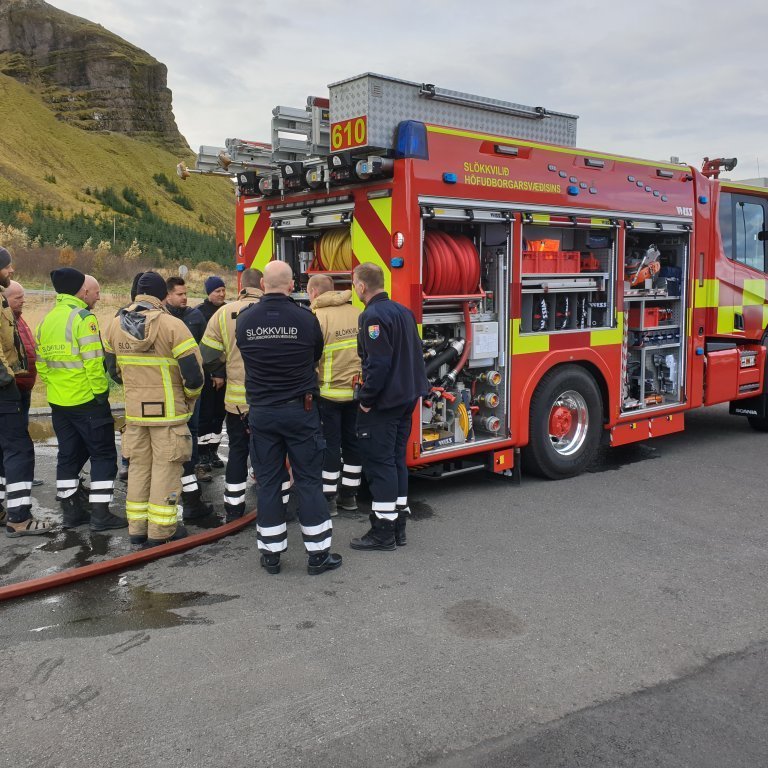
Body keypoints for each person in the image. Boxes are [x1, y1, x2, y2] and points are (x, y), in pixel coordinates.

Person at [236, 260, 341, 576]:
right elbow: (314, 356)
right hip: (300, 411)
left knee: (268, 482)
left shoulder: (245, 320)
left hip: (263, 413)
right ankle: (318, 555)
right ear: (292, 284)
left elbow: (246, 355)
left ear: (264, 284)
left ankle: (270, 556)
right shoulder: (306, 319)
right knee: (309, 481)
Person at [103, 271, 204, 546]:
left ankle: (137, 528)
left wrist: (136, 388)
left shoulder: (113, 326)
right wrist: (190, 399)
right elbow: (194, 376)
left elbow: (113, 371)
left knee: (138, 469)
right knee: (166, 470)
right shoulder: (173, 326)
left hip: (135, 414)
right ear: (162, 296)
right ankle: (162, 531)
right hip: (169, 415)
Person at [35, 269, 126, 532]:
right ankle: (100, 514)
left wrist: (56, 389)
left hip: (59, 402)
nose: (96, 298)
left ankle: (71, 512)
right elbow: (94, 364)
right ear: (80, 290)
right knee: (104, 455)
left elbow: (42, 366)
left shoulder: (47, 320)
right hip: (86, 401)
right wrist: (100, 396)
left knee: (67, 454)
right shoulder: (84, 319)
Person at [350, 262, 429, 551]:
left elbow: (378, 364)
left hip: (384, 403)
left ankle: (382, 533)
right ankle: (398, 527)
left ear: (361, 286)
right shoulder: (403, 312)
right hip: (406, 399)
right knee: (396, 461)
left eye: (354, 284)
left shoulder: (372, 316)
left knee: (380, 465)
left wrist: (367, 399)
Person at [200, 268, 263, 522]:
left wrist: (223, 369)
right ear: (262, 284)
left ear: (240, 286)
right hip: (270, 401)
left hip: (236, 402)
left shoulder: (223, 313)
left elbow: (206, 354)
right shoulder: (276, 310)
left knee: (238, 450)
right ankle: (275, 505)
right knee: (270, 451)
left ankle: (234, 507)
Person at [0, 247, 51, 536]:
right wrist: (7, 379)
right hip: (4, 389)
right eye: (7, 267)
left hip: (8, 386)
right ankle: (19, 518)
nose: (11, 271)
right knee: (19, 449)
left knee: (2, 449)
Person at [306, 274, 362, 516]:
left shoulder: (316, 317)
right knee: (353, 443)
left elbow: (309, 357)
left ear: (314, 293)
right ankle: (350, 496)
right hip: (357, 391)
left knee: (330, 445)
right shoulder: (357, 313)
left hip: (327, 394)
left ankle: (329, 498)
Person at [165, 276, 214, 509]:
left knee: (192, 429)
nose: (184, 297)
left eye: (185, 293)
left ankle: (192, 468)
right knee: (172, 431)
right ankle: (174, 472)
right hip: (170, 387)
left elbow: (205, 349)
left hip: (194, 384)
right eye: (179, 294)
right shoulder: (162, 319)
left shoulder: (196, 317)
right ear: (167, 295)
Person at [196, 275, 227, 472]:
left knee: (219, 414)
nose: (222, 294)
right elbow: (204, 349)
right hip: (208, 373)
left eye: (223, 290)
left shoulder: (227, 311)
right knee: (205, 414)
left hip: (225, 372)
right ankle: (202, 454)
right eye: (217, 291)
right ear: (209, 293)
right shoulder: (200, 313)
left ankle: (214, 450)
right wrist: (215, 373)